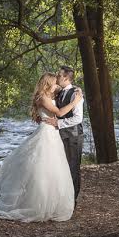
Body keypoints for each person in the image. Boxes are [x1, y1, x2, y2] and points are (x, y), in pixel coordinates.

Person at [0, 72, 83, 222]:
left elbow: (65, 88)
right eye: (54, 82)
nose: (57, 84)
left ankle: (51, 202)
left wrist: (75, 89)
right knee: (39, 166)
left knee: (51, 168)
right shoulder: (42, 98)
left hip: (53, 133)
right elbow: (59, 112)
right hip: (46, 133)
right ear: (47, 83)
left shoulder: (49, 95)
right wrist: (76, 101)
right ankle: (31, 202)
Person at [42, 65, 84, 202]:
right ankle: (61, 199)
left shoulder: (76, 94)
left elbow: (78, 118)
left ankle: (72, 201)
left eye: (59, 75)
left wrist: (58, 124)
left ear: (66, 77)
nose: (57, 76)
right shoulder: (60, 92)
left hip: (73, 136)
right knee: (61, 168)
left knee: (73, 168)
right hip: (58, 135)